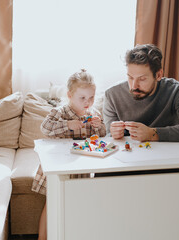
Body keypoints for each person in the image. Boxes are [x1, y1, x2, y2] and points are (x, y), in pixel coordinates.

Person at [32, 69, 106, 240]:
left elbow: (102, 135)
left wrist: (98, 127)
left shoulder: (94, 114)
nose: (88, 102)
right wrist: (68, 125)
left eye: (91, 97)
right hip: (59, 165)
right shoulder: (61, 112)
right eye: (82, 98)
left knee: (77, 203)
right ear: (70, 95)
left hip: (81, 166)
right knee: (51, 203)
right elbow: (45, 128)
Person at [103, 44, 179, 142]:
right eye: (130, 77)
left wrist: (152, 133)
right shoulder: (112, 95)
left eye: (142, 79)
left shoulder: (177, 91)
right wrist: (114, 134)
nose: (134, 86)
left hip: (169, 154)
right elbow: (110, 137)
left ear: (158, 75)